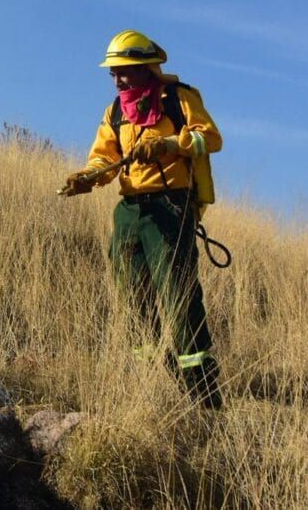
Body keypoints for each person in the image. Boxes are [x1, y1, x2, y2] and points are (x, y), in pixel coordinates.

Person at [61, 30, 224, 408]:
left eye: (124, 71)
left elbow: (211, 138)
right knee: (132, 294)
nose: (117, 79)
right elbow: (104, 157)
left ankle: (203, 393)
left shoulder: (179, 99)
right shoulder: (115, 112)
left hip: (170, 207)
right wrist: (87, 178)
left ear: (146, 68)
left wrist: (170, 144)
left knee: (178, 295)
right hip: (129, 211)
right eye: (113, 73)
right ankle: (154, 379)